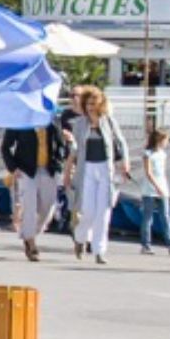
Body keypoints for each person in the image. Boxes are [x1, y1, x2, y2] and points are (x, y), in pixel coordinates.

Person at [68, 87, 131, 265]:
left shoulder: (109, 122)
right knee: (87, 211)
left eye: (94, 104)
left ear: (101, 104)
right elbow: (76, 148)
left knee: (103, 213)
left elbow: (121, 143)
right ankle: (80, 239)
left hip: (105, 168)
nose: (90, 107)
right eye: (88, 104)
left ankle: (99, 250)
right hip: (87, 168)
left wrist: (125, 162)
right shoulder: (79, 124)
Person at [0, 115, 70, 262]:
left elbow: (60, 144)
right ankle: (31, 243)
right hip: (27, 170)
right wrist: (13, 168)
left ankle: (29, 232)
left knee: (48, 207)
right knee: (29, 206)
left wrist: (60, 161)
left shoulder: (52, 119)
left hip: (48, 169)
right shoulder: (20, 119)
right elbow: (5, 146)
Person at [138, 129, 170, 254]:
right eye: (165, 140)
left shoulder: (163, 154)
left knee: (165, 216)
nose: (167, 143)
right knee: (148, 217)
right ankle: (146, 245)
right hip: (149, 190)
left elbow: (162, 172)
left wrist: (162, 187)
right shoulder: (148, 154)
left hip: (162, 188)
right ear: (159, 140)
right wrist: (156, 187)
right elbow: (148, 172)